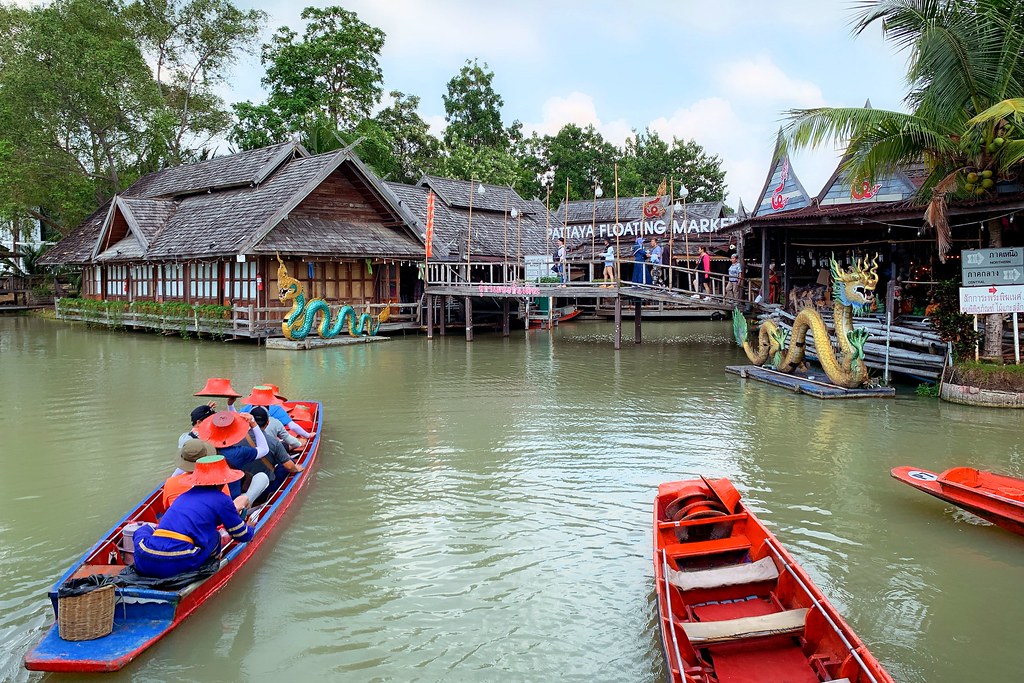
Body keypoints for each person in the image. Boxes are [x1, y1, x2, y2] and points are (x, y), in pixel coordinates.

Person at [134, 455, 255, 579]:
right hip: (178, 563)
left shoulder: (183, 496)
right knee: (214, 536)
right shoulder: (222, 500)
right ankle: (208, 565)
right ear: (223, 481)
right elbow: (241, 535)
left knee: (143, 529)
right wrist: (250, 529)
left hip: (144, 559)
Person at [196, 410, 271, 503]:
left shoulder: (201, 450)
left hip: (207, 500)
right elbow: (264, 449)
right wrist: (253, 424)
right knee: (262, 477)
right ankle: (243, 508)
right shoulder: (238, 452)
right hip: (232, 501)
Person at [163, 438, 247, 512]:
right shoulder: (219, 482)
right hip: (214, 526)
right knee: (243, 499)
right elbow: (226, 506)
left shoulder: (170, 482)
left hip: (180, 525)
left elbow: (166, 507)